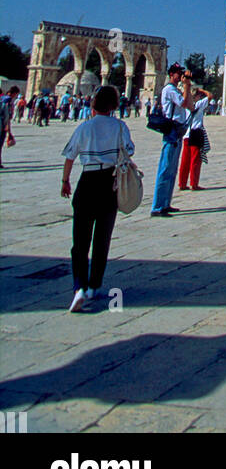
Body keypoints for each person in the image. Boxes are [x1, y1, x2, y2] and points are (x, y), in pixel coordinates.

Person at [60, 84, 134, 311]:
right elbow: (128, 151)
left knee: (80, 241)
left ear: (93, 104)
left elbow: (70, 156)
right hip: (109, 184)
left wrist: (65, 181)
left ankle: (79, 288)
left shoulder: (84, 128)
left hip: (87, 182)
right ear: (114, 105)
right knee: (102, 239)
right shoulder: (120, 127)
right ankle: (94, 286)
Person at [150, 64, 195, 217]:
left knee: (172, 169)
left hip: (177, 131)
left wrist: (187, 86)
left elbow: (189, 105)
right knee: (165, 168)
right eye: (177, 73)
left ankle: (166, 203)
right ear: (171, 74)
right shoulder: (169, 89)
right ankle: (157, 207)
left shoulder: (177, 90)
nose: (180, 75)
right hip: (171, 130)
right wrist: (186, 87)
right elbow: (182, 103)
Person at [178, 88, 211, 191]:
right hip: (196, 133)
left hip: (186, 135)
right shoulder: (199, 104)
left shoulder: (185, 106)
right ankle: (194, 184)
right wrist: (202, 90)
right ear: (196, 96)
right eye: (199, 95)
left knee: (185, 160)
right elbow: (210, 95)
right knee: (195, 160)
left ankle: (182, 183)